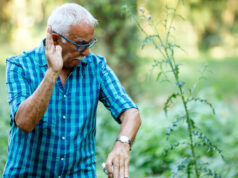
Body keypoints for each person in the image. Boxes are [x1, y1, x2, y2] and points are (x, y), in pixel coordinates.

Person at [3, 3, 141, 178]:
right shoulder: (20, 66)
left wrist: (123, 144)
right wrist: (52, 73)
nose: (87, 53)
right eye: (80, 45)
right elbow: (24, 122)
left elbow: (131, 112)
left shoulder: (96, 67)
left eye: (91, 43)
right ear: (54, 39)